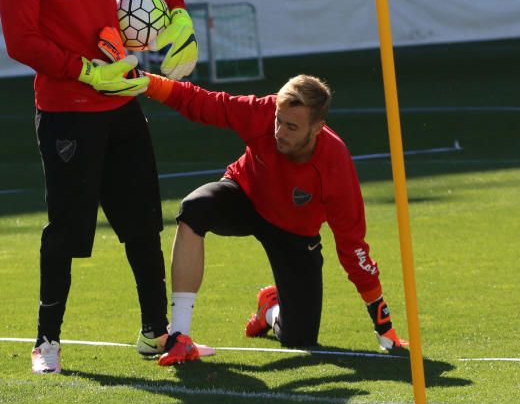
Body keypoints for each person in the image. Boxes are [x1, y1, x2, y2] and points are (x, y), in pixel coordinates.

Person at [0, 0, 199, 374]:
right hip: (67, 110)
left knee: (142, 223)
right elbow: (21, 40)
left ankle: (156, 333)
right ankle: (46, 341)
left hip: (124, 103)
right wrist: (86, 69)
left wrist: (177, 16)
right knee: (66, 229)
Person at [138, 72, 406, 365]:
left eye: (292, 126)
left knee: (300, 339)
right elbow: (203, 102)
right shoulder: (262, 112)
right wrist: (147, 82)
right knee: (194, 207)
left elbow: (352, 245)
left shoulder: (335, 163)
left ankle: (270, 309)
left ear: (317, 127)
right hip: (245, 198)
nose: (279, 131)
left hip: (294, 232)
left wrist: (384, 326)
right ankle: (180, 337)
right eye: (279, 120)